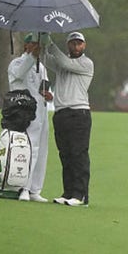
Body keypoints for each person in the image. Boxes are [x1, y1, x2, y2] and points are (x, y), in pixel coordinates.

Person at [43, 31, 94, 207]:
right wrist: (40, 38)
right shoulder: (62, 64)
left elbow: (63, 61)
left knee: (78, 154)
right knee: (65, 155)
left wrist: (49, 42)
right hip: (61, 114)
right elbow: (45, 59)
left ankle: (81, 195)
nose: (76, 46)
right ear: (68, 45)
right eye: (73, 43)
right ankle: (68, 192)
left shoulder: (86, 63)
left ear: (84, 45)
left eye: (79, 43)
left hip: (79, 114)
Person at [7, 33, 53, 203]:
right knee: (28, 149)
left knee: (41, 150)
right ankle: (23, 187)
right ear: (26, 46)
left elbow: (45, 88)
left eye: (38, 45)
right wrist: (32, 56)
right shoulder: (17, 62)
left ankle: (35, 189)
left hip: (41, 112)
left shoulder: (42, 66)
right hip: (23, 113)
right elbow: (19, 75)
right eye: (33, 44)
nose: (37, 48)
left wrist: (49, 95)